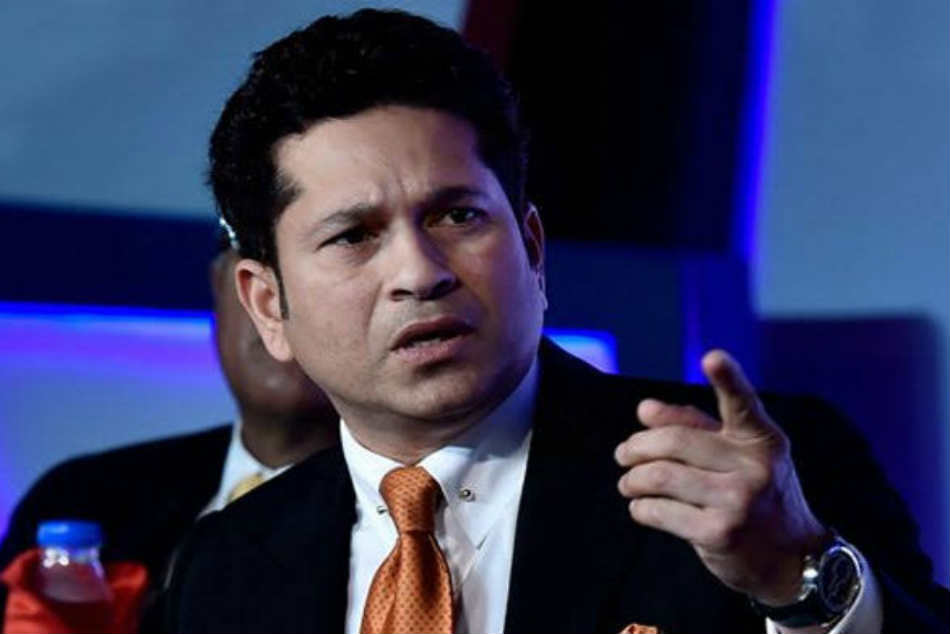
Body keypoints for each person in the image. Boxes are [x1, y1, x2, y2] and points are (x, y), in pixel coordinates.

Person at [164, 9, 949, 634]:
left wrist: (795, 580)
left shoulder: (763, 479)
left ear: (532, 249)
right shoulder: (224, 565)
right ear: (268, 306)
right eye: (353, 236)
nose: (419, 273)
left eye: (458, 215)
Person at [0, 239, 338, 628]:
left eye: (334, 251)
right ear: (219, 284)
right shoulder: (76, 497)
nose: (275, 301)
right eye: (256, 257)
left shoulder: (395, 534)